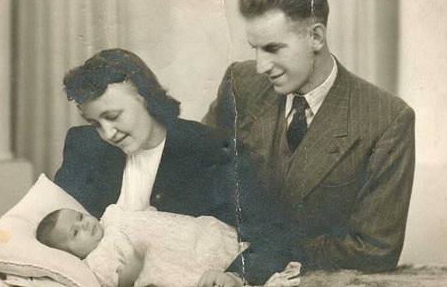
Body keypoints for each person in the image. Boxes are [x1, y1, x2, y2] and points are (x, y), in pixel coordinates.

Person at [204, 0, 416, 273]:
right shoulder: (241, 83)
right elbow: (199, 170)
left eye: (273, 48)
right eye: (255, 48)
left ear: (315, 36)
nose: (262, 65)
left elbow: (375, 250)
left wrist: (265, 255)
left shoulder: (387, 119)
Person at [55, 48, 297, 286]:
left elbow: (273, 233)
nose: (107, 133)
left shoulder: (210, 150)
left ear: (145, 97)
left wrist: (235, 275)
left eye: (114, 116)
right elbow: (50, 229)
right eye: (95, 123)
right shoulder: (85, 147)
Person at [35, 205, 255, 287]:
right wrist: (128, 277)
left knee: (209, 235)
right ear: (70, 254)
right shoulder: (96, 261)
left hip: (185, 238)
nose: (85, 225)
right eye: (75, 232)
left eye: (80, 217)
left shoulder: (112, 216)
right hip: (166, 267)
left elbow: (151, 219)